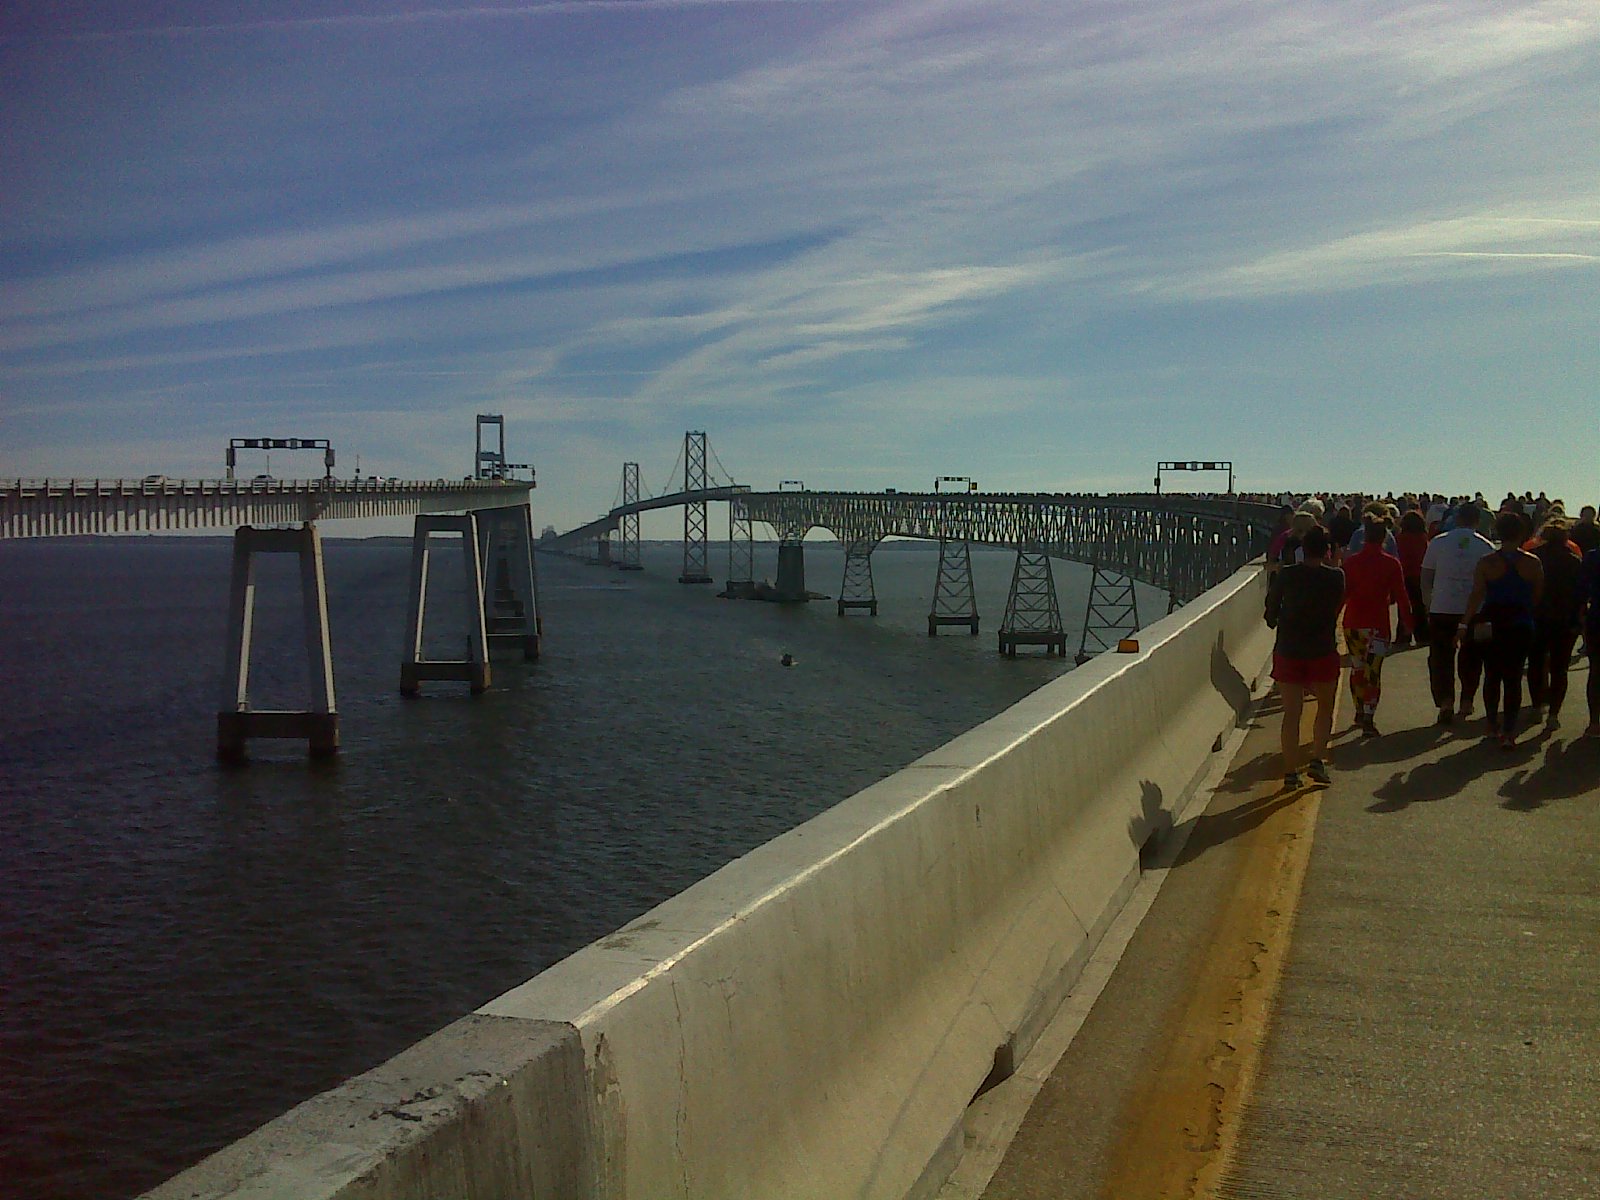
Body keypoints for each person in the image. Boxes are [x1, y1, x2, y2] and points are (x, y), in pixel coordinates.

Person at [1265, 525, 1344, 787]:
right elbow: (1336, 607)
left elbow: (1271, 608)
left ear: (1302, 549)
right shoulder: (1336, 577)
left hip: (1289, 649)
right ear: (1327, 551)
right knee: (1325, 707)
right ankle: (1317, 761)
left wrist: (1275, 619)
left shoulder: (1286, 575)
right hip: (1322, 649)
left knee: (1292, 713)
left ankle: (1290, 774)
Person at [1460, 509, 1544, 748]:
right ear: (1521, 534)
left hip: (1492, 622)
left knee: (1492, 675)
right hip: (1520, 623)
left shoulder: (1487, 563)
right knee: (1513, 677)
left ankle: (1490, 725)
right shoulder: (1532, 562)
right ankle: (1509, 730)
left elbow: (1477, 595)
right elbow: (1537, 595)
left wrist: (1464, 623)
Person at [1421, 502, 1495, 724]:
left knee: (1441, 657)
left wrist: (1428, 603)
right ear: (1477, 520)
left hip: (1442, 607)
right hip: (1474, 610)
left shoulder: (1439, 542)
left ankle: (1445, 700)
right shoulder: (1486, 546)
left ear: (1457, 518)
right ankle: (1467, 699)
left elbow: (1426, 575)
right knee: (1472, 656)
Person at [1341, 515, 1413, 735]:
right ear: (1384, 537)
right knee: (1374, 672)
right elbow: (1401, 597)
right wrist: (1409, 624)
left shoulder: (1351, 562)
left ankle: (1359, 710)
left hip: (1353, 624)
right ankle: (1369, 717)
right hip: (1379, 626)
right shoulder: (1391, 564)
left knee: (1357, 669)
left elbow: (1343, 595)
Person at [1527, 519, 1582, 725]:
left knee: (1536, 663)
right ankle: (1554, 714)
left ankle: (1537, 705)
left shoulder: (1535, 557)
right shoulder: (1574, 561)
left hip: (1538, 617)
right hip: (1565, 619)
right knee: (1560, 668)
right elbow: (1579, 594)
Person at [1394, 509, 1430, 647]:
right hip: (1419, 576)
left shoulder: (1400, 538)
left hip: (1403, 575)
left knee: (1404, 608)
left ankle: (1403, 635)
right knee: (1419, 608)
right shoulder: (1423, 538)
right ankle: (1423, 636)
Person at [1582, 546, 1600, 737]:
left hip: (1597, 617)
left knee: (1596, 671)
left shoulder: (1593, 556)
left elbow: (1581, 589)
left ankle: (1595, 722)